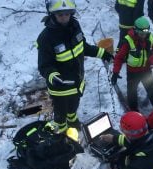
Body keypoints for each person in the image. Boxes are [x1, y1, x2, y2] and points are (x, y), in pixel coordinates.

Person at [37, 0, 113, 133]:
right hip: (60, 88)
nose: (64, 17)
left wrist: (102, 53)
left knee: (73, 106)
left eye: (67, 14)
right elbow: (44, 65)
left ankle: (72, 120)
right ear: (53, 14)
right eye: (60, 15)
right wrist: (53, 76)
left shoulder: (75, 25)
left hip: (77, 82)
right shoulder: (46, 37)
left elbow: (83, 46)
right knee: (60, 115)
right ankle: (63, 135)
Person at [111, 16, 153, 111]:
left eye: (145, 32)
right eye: (141, 33)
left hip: (146, 70)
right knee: (132, 93)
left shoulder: (150, 38)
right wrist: (115, 72)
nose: (143, 35)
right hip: (133, 72)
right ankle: (134, 111)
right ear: (135, 30)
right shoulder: (128, 41)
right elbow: (119, 57)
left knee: (152, 90)